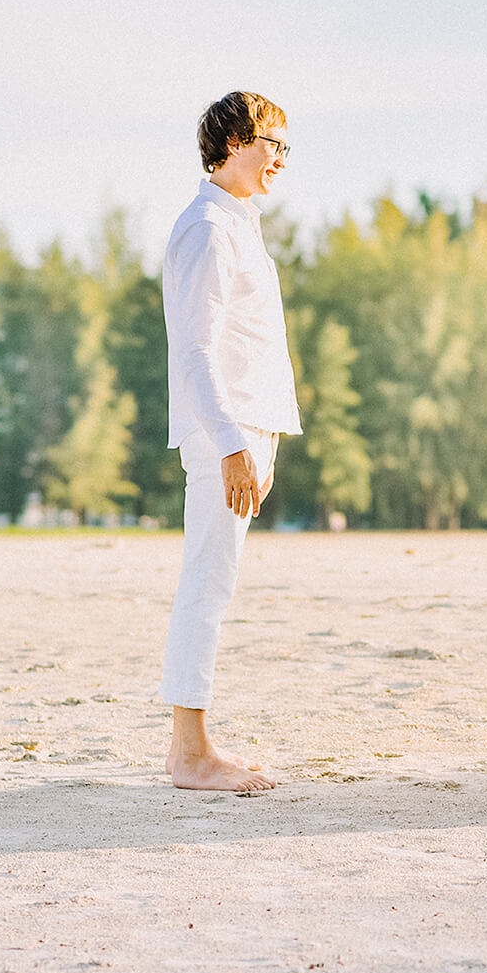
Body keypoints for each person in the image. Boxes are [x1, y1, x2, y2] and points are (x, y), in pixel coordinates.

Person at [159, 91, 302, 792]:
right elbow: (195, 353)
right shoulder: (208, 227)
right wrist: (232, 445)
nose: (280, 157)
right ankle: (190, 755)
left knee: (215, 583)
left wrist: (260, 438)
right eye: (272, 142)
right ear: (236, 140)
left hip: (245, 431)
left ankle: (192, 746)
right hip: (226, 435)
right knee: (206, 584)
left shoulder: (238, 224)